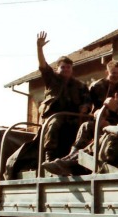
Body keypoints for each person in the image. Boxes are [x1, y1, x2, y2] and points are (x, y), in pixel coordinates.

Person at [36, 31, 91, 162]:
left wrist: (86, 107)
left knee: (87, 126)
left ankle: (77, 155)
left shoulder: (79, 85)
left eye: (68, 67)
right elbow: (43, 66)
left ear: (72, 69)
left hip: (73, 117)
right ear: (57, 68)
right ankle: (49, 156)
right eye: (63, 67)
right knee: (55, 123)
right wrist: (39, 48)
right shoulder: (52, 79)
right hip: (54, 116)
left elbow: (87, 100)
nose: (66, 69)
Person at [70, 60, 118, 152]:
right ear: (107, 72)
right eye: (113, 73)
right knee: (86, 126)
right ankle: (73, 153)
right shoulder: (97, 86)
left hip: (116, 121)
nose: (116, 75)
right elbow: (88, 103)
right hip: (99, 119)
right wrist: (93, 112)